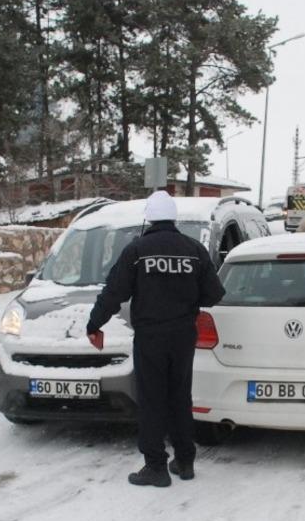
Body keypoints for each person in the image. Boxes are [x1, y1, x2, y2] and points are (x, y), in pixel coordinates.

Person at [86, 191, 226, 487]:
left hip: (150, 337)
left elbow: (114, 292)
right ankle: (185, 461)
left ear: (148, 217)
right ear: (173, 217)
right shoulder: (194, 250)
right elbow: (214, 294)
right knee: (179, 396)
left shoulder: (137, 251)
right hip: (183, 335)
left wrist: (94, 323)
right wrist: (187, 300)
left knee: (152, 400)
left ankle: (155, 467)